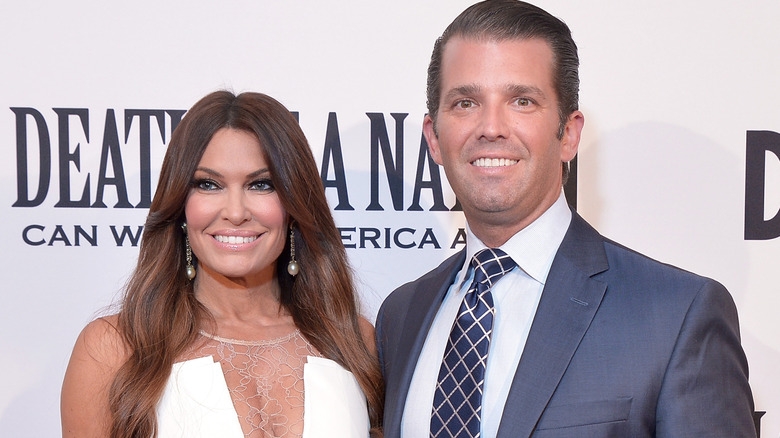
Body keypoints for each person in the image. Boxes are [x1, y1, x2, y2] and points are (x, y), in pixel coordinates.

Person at [375, 1, 756, 437]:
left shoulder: (675, 314)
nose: (491, 127)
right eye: (465, 102)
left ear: (569, 134)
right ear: (434, 138)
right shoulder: (401, 316)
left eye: (522, 100)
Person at [61, 90, 383, 438]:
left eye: (262, 185)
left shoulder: (354, 341)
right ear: (180, 205)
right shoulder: (115, 349)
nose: (235, 212)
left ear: (293, 206)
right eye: (208, 184)